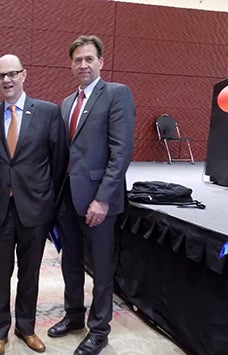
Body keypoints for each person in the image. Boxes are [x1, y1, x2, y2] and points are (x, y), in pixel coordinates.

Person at [47, 35, 135, 355]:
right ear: (70, 64)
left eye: (89, 59)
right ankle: (73, 317)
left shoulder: (116, 94)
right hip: (68, 198)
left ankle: (99, 329)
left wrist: (103, 198)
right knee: (70, 262)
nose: (83, 64)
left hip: (99, 199)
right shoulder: (67, 103)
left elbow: (121, 152)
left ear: (100, 61)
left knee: (100, 267)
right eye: (77, 60)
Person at [0, 54, 68, 355]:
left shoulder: (47, 112)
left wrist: (46, 199)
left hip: (35, 209)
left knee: (30, 273)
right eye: (0, 75)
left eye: (12, 73)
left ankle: (26, 327)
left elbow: (58, 162)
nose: (7, 79)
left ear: (24, 75)